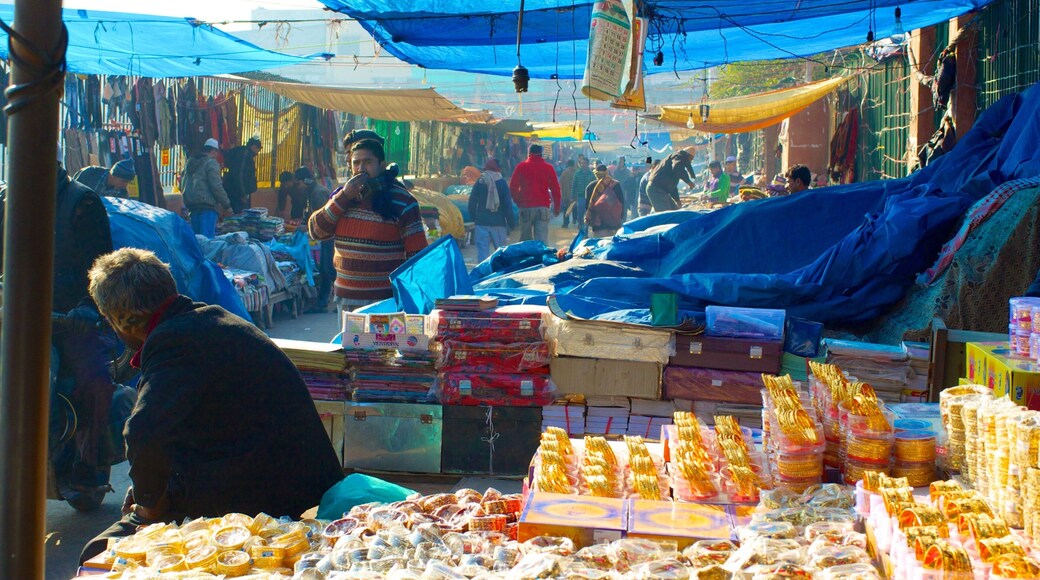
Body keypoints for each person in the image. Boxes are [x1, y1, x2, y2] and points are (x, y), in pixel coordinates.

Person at [79, 248, 343, 565]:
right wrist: (150, 487)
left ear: (124, 320)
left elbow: (144, 432)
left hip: (266, 491)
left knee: (100, 552)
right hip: (282, 473)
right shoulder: (204, 321)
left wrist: (148, 505)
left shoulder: (174, 341)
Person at [1, 166, 119, 508]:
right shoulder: (8, 199)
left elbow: (102, 266)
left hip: (67, 319)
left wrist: (86, 305)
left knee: (95, 380)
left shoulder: (82, 203)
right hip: (16, 317)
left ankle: (87, 462)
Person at [308, 138, 428, 312]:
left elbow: (417, 257)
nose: (361, 169)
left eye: (368, 162)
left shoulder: (403, 200)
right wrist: (343, 197)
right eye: (356, 163)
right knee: (348, 341)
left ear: (381, 164)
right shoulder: (342, 197)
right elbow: (316, 231)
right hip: (346, 299)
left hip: (385, 302)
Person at [293, 166, 335, 313]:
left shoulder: (318, 193)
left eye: (298, 183)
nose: (298, 186)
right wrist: (304, 223)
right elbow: (311, 214)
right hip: (326, 235)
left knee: (327, 268)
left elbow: (325, 218)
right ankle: (325, 301)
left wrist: (309, 227)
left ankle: (325, 302)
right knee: (327, 268)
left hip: (329, 235)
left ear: (305, 181)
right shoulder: (312, 192)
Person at [508, 143, 562, 244]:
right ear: (541, 154)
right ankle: (540, 259)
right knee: (541, 241)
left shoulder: (521, 166)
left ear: (529, 153)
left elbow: (513, 187)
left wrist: (519, 201)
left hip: (526, 207)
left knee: (525, 241)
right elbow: (556, 189)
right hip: (543, 207)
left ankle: (527, 259)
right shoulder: (548, 168)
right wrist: (557, 208)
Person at [181, 138, 232, 237]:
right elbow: (216, 186)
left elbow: (182, 184)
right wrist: (226, 205)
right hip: (208, 207)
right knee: (207, 242)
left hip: (193, 207)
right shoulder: (210, 163)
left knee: (197, 240)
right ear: (213, 151)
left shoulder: (190, 163)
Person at [468, 158, 516, 262]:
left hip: (481, 223)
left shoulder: (480, 182)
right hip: (499, 224)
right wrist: (512, 224)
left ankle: (483, 276)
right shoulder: (502, 183)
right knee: (501, 254)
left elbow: (472, 202)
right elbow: (508, 205)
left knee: (482, 255)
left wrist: (474, 218)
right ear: (498, 168)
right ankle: (500, 275)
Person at [584, 164, 626, 238]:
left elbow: (588, 207)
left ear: (595, 174)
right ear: (607, 172)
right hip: (613, 223)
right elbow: (621, 202)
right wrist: (621, 217)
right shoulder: (616, 185)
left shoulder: (590, 187)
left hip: (598, 224)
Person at [223, 137, 261, 213]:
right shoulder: (245, 156)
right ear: (253, 147)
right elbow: (240, 175)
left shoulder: (238, 153)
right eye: (258, 150)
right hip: (238, 192)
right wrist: (243, 193)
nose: (257, 153)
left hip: (232, 189)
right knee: (242, 215)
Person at [571, 154, 595, 229]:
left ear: (587, 164)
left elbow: (595, 185)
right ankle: (581, 227)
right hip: (580, 197)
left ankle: (586, 231)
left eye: (584, 163)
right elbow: (574, 186)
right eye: (581, 163)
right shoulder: (577, 174)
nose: (583, 165)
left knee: (588, 215)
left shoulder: (591, 174)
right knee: (580, 214)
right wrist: (572, 197)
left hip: (589, 198)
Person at [558, 160, 577, 228]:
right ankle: (575, 220)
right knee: (575, 208)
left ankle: (565, 223)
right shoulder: (576, 172)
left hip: (566, 195)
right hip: (575, 195)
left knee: (566, 209)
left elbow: (560, 184)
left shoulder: (564, 173)